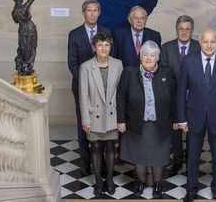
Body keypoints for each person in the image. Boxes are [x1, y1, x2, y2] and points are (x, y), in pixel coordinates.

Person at [178, 28, 216, 202]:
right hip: (194, 116)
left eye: (212, 41)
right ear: (200, 42)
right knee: (192, 156)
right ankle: (191, 189)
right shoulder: (189, 61)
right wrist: (181, 118)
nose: (209, 45)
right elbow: (181, 92)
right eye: (205, 41)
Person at [117, 41, 176, 199]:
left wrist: (177, 119)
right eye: (145, 54)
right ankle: (140, 182)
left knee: (158, 156)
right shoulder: (129, 72)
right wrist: (121, 120)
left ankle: (157, 183)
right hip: (136, 123)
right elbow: (121, 97)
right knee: (139, 156)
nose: (148, 58)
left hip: (160, 124)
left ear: (157, 57)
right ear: (140, 56)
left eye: (152, 55)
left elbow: (174, 98)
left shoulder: (167, 73)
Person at [68, 0, 112, 176]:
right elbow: (72, 63)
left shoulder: (107, 32)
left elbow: (112, 60)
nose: (92, 14)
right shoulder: (75, 34)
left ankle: (101, 161)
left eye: (95, 10)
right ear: (83, 13)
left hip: (104, 89)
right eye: (89, 10)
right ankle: (85, 161)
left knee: (102, 124)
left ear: (99, 13)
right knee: (84, 124)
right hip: (81, 87)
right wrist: (88, 82)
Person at [79, 32, 123, 197]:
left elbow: (121, 93)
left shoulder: (118, 64)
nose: (103, 48)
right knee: (96, 147)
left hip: (112, 114)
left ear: (110, 47)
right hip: (94, 115)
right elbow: (83, 96)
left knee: (111, 146)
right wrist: (85, 120)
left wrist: (121, 118)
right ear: (94, 47)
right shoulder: (86, 67)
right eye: (100, 45)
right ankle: (98, 181)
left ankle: (110, 179)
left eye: (106, 45)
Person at [160, 15, 201, 176]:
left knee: (193, 131)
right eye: (181, 29)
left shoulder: (199, 47)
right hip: (172, 97)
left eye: (187, 29)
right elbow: (162, 73)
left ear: (192, 30)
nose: (184, 32)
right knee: (175, 132)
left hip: (194, 97)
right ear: (176, 29)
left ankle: (191, 160)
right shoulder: (166, 48)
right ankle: (177, 161)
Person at [12, 0, 37, 75]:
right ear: (21, 0)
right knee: (30, 49)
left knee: (23, 49)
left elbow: (16, 21)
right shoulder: (24, 7)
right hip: (30, 30)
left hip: (22, 30)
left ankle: (24, 67)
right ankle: (26, 68)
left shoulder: (14, 11)